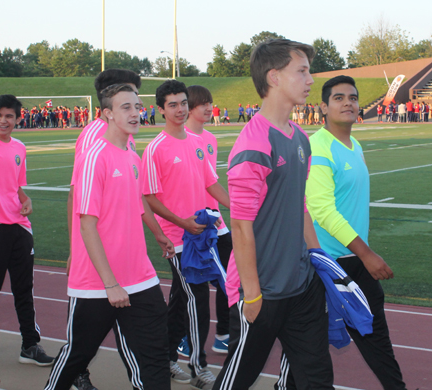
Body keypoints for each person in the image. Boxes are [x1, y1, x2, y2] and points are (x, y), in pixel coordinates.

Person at [213, 39, 334, 390]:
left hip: (301, 284)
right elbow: (240, 224)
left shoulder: (300, 138)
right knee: (238, 380)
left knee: (317, 379)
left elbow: (300, 206)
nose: (310, 79)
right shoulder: (254, 144)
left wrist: (319, 260)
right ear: (274, 77)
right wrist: (252, 295)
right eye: (302, 71)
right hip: (261, 290)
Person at [279, 75, 407, 390]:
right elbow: (322, 209)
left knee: (374, 335)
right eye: (338, 98)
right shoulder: (318, 146)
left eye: (352, 97)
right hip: (325, 264)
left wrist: (362, 254)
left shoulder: (354, 144)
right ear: (322, 106)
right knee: (311, 344)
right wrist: (367, 253)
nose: (347, 102)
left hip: (354, 261)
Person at [45, 84, 171, 390]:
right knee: (78, 354)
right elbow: (87, 224)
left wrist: (158, 233)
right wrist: (110, 283)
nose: (134, 113)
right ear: (108, 114)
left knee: (155, 355)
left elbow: (137, 203)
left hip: (140, 277)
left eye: (138, 106)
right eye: (125, 107)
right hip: (98, 283)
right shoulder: (94, 157)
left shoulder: (131, 154)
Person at [142, 79, 230, 390]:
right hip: (180, 239)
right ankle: (198, 367)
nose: (179, 110)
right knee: (197, 300)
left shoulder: (195, 143)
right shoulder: (155, 149)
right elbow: (149, 197)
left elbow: (211, 184)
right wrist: (180, 223)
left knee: (182, 301)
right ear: (160, 109)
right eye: (173, 105)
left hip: (204, 234)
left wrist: (240, 208)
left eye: (182, 103)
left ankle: (165, 358)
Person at [0, 95, 54, 368]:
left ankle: (30, 345)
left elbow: (16, 187)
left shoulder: (19, 147)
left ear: (17, 118)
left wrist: (26, 200)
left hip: (20, 226)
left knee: (24, 288)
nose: (4, 120)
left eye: (9, 116)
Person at [185, 85, 232, 353]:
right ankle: (181, 336)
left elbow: (211, 181)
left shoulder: (211, 139)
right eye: (201, 103)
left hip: (216, 222)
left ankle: (223, 333)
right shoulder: (182, 138)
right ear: (188, 107)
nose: (207, 107)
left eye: (209, 102)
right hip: (193, 225)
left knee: (229, 277)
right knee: (192, 288)